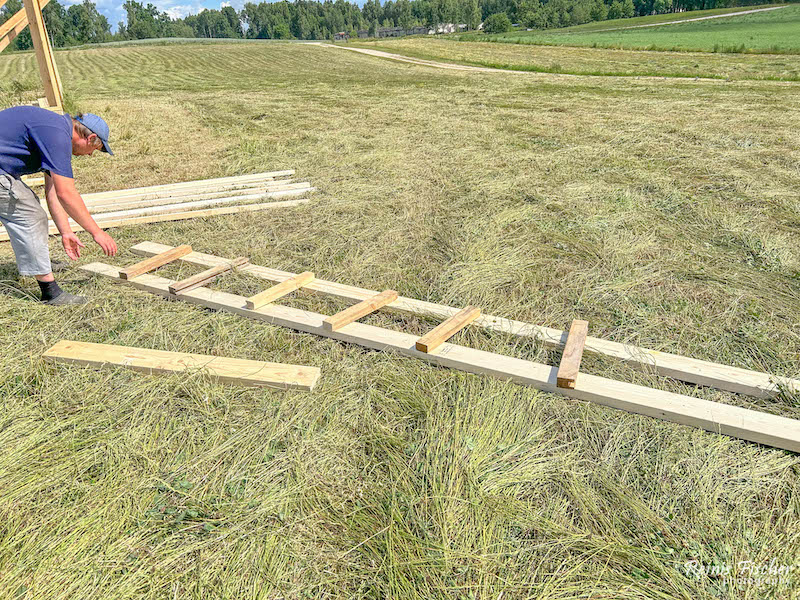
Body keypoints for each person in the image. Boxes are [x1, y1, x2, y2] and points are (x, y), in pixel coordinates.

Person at [0, 106, 118, 305]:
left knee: (28, 204)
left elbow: (53, 193)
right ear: (90, 138)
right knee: (29, 214)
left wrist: (66, 232)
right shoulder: (57, 136)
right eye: (94, 150)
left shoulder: (54, 128)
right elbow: (67, 194)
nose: (89, 156)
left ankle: (40, 263)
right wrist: (97, 232)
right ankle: (51, 293)